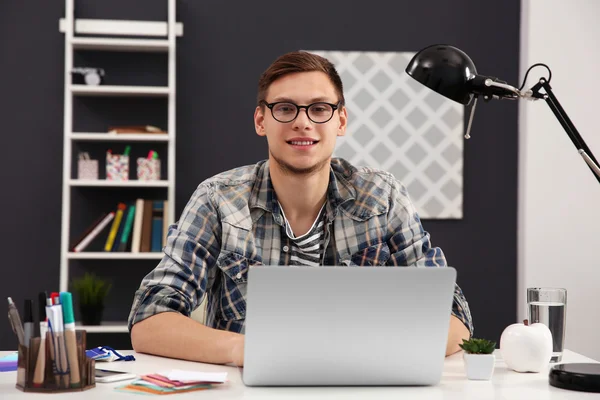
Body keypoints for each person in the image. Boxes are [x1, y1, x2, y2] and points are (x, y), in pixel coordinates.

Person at [128, 51, 473, 367]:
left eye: (319, 108)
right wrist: (247, 350)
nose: (303, 123)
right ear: (261, 120)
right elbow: (149, 321)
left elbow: (454, 318)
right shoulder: (217, 199)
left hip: (361, 384)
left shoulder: (384, 197)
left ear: (341, 121)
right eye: (285, 108)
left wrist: (371, 352)